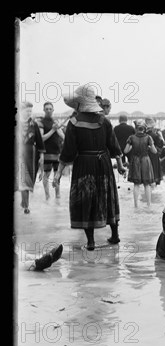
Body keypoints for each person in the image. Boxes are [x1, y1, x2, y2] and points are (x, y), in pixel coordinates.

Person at [53, 84, 126, 250]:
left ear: (79, 104)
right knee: (108, 197)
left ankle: (91, 242)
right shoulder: (104, 121)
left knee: (86, 199)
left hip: (84, 165)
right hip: (104, 164)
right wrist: (120, 166)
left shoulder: (74, 123)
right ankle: (115, 235)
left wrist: (58, 173)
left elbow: (68, 151)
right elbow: (114, 147)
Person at [16, 101, 45, 214]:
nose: (29, 113)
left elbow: (39, 142)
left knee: (27, 181)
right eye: (27, 111)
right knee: (23, 180)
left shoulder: (34, 124)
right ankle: (26, 206)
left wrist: (41, 157)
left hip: (31, 156)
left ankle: (24, 203)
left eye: (30, 111)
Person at [123, 120, 157, 208]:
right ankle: (149, 205)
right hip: (145, 160)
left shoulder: (131, 137)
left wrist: (131, 146)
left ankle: (136, 205)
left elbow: (125, 151)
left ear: (136, 128)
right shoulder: (148, 137)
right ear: (144, 129)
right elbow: (155, 151)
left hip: (135, 160)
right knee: (147, 184)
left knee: (136, 184)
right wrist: (149, 147)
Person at [37, 102, 64, 201]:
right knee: (46, 175)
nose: (48, 110)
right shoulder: (41, 122)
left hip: (57, 153)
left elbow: (62, 135)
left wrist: (60, 131)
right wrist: (53, 130)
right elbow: (41, 138)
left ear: (53, 110)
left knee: (57, 174)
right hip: (46, 153)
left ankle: (58, 196)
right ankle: (47, 197)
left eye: (50, 109)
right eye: (46, 109)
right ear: (44, 110)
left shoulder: (55, 122)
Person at [145, 117, 164, 186]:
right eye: (149, 122)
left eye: (151, 122)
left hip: (148, 154)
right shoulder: (153, 133)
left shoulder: (144, 132)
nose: (150, 124)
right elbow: (161, 143)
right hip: (151, 153)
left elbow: (161, 143)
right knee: (153, 168)